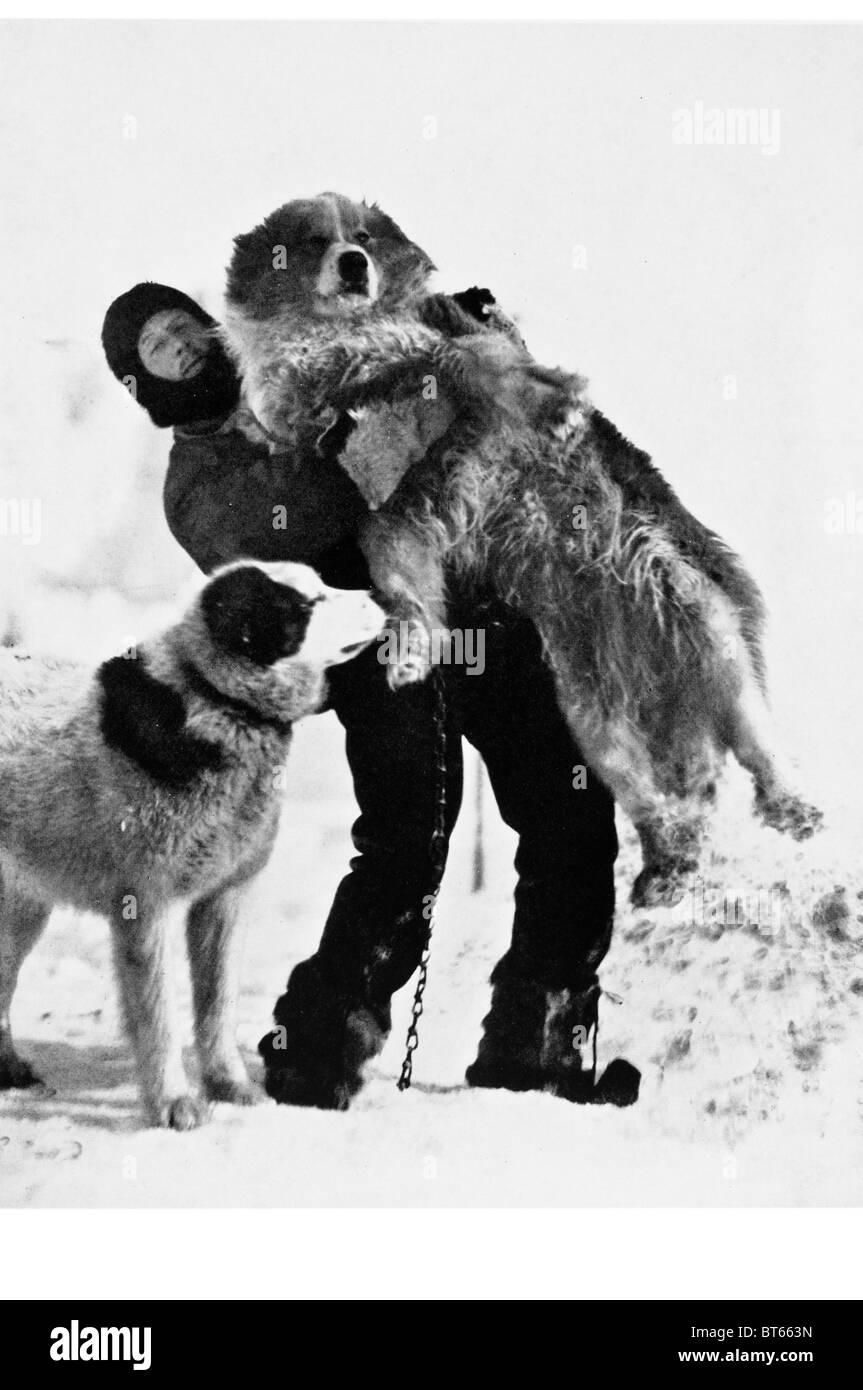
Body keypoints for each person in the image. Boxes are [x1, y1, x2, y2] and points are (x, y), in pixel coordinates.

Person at [101, 281, 638, 1110]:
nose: (182, 347)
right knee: (407, 843)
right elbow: (295, 523)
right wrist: (366, 435)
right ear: (144, 387)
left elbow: (400, 355)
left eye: (181, 326)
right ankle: (317, 1042)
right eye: (159, 351)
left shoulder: (298, 367)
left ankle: (538, 1039)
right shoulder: (196, 484)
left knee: (569, 816)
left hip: (476, 609)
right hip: (377, 649)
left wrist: (454, 331)